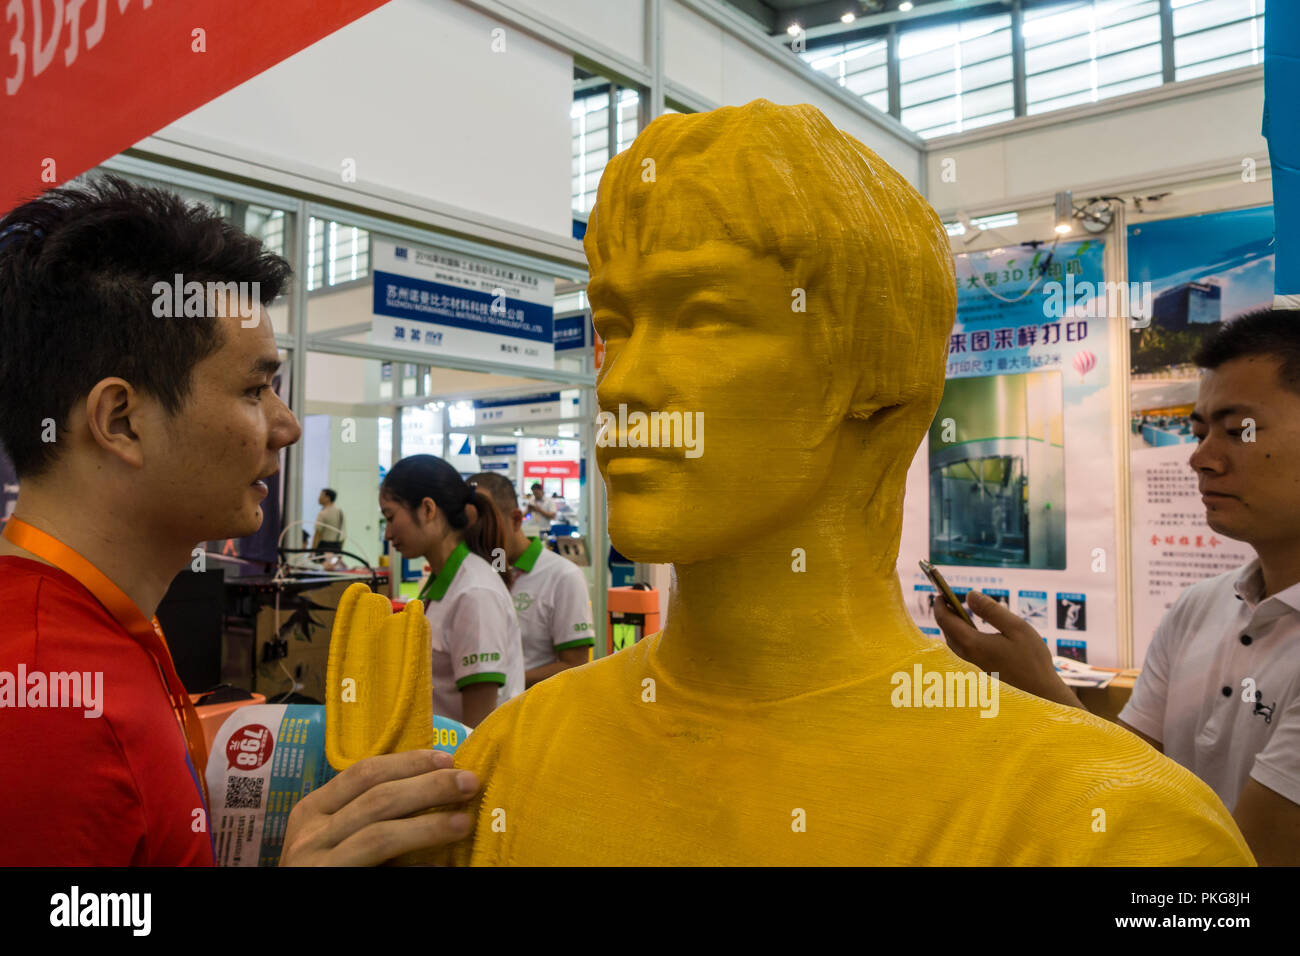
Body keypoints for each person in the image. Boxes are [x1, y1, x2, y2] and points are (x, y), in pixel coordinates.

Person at [437, 101, 1251, 865]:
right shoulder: (511, 761)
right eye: (616, 327)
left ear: (876, 367)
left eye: (707, 317)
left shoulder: (1111, 833)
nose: (622, 385)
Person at [0, 177, 476, 865]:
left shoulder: (98, 629)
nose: (285, 426)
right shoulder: (51, 714)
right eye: (255, 389)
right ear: (122, 421)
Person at [935, 306, 1300, 865]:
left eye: (1237, 431)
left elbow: (1236, 875)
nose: (1201, 459)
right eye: (1199, 432)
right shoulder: (1199, 609)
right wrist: (1040, 688)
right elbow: (1134, 776)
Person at [380, 455, 524, 727]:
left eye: (390, 517)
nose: (387, 533)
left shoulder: (474, 593)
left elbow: (478, 730)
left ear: (427, 509)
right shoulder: (444, 582)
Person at [470, 472, 595, 686]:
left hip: (535, 712)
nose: (480, 536)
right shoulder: (482, 571)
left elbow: (575, 665)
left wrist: (498, 684)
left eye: (489, 525)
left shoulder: (563, 577)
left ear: (516, 520)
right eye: (472, 528)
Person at [311, 487, 345, 553]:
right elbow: (343, 535)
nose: (319, 498)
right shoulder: (340, 512)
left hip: (324, 547)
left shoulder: (323, 513)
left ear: (328, 498)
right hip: (337, 547)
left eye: (321, 495)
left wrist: (312, 552)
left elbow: (318, 534)